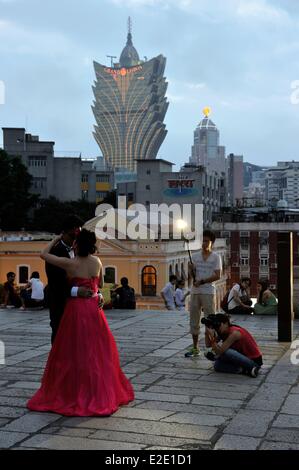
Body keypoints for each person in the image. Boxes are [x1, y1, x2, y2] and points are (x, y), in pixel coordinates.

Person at [27, 229, 134, 416]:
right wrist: (97, 294)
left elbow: (43, 254)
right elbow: (97, 286)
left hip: (75, 310)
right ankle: (95, 391)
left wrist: (56, 238)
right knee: (96, 352)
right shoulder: (97, 262)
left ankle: (73, 391)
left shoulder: (70, 263)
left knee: (72, 352)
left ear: (76, 244)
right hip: (94, 309)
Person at [45, 215, 93, 344]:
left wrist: (96, 292)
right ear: (63, 233)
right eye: (72, 236)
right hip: (60, 303)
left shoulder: (79, 251)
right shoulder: (55, 252)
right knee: (60, 335)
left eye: (77, 237)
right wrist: (77, 291)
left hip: (78, 306)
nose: (75, 240)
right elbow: (55, 283)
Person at [184, 230, 222, 358]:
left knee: (210, 320)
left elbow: (217, 275)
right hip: (195, 292)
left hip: (208, 291)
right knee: (194, 319)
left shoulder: (216, 257)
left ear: (212, 242)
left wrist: (202, 281)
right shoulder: (194, 256)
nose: (204, 243)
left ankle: (211, 347)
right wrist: (191, 270)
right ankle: (195, 347)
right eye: (202, 240)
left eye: (207, 241)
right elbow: (191, 274)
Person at [204, 313, 263, 377]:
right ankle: (245, 370)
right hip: (243, 357)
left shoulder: (234, 333)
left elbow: (220, 351)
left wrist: (212, 338)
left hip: (254, 360)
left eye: (219, 326)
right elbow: (208, 345)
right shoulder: (223, 332)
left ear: (226, 323)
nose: (217, 328)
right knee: (217, 365)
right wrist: (207, 334)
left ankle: (253, 367)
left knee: (227, 351)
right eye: (216, 327)